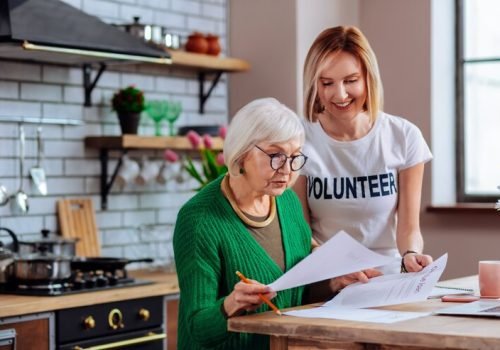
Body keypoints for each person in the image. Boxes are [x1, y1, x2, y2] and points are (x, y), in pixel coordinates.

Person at [173, 97, 380, 350]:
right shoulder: (199, 219)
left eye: (294, 157)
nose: (287, 170)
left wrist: (334, 281)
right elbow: (196, 327)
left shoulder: (287, 203)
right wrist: (230, 305)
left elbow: (296, 290)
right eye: (275, 155)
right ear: (241, 154)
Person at [294, 26, 434, 274]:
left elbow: (409, 228)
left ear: (368, 78)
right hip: (326, 278)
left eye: (351, 81)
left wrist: (411, 253)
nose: (340, 94)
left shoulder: (404, 136)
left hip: (387, 279)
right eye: (327, 83)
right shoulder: (297, 140)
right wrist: (335, 271)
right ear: (314, 84)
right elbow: (300, 233)